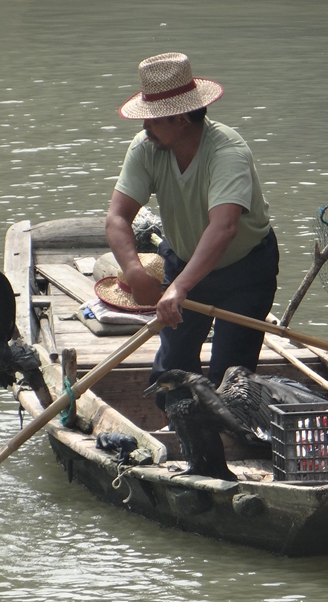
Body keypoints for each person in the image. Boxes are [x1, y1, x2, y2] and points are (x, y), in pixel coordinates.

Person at [104, 52, 279, 400]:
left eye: (153, 120)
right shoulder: (145, 148)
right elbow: (118, 217)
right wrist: (134, 270)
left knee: (231, 378)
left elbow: (224, 227)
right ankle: (185, 437)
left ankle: (230, 441)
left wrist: (178, 289)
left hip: (243, 271)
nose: (145, 127)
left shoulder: (228, 152)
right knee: (171, 371)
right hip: (183, 259)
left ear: (180, 118)